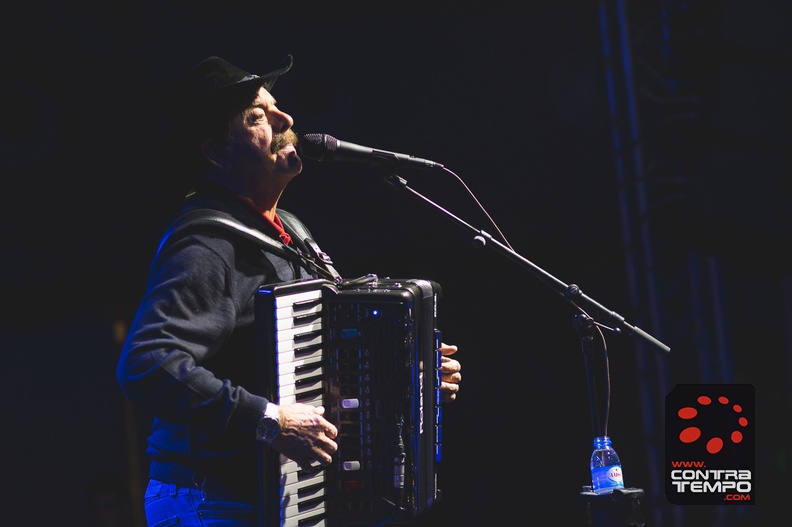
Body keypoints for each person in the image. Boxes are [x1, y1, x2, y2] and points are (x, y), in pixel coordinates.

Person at [116, 54, 462, 527]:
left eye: (276, 107)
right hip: (213, 502)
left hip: (272, 500)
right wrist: (270, 419)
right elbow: (146, 364)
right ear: (218, 153)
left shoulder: (289, 231)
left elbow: (320, 365)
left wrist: (406, 378)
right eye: (257, 117)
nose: (286, 119)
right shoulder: (209, 243)